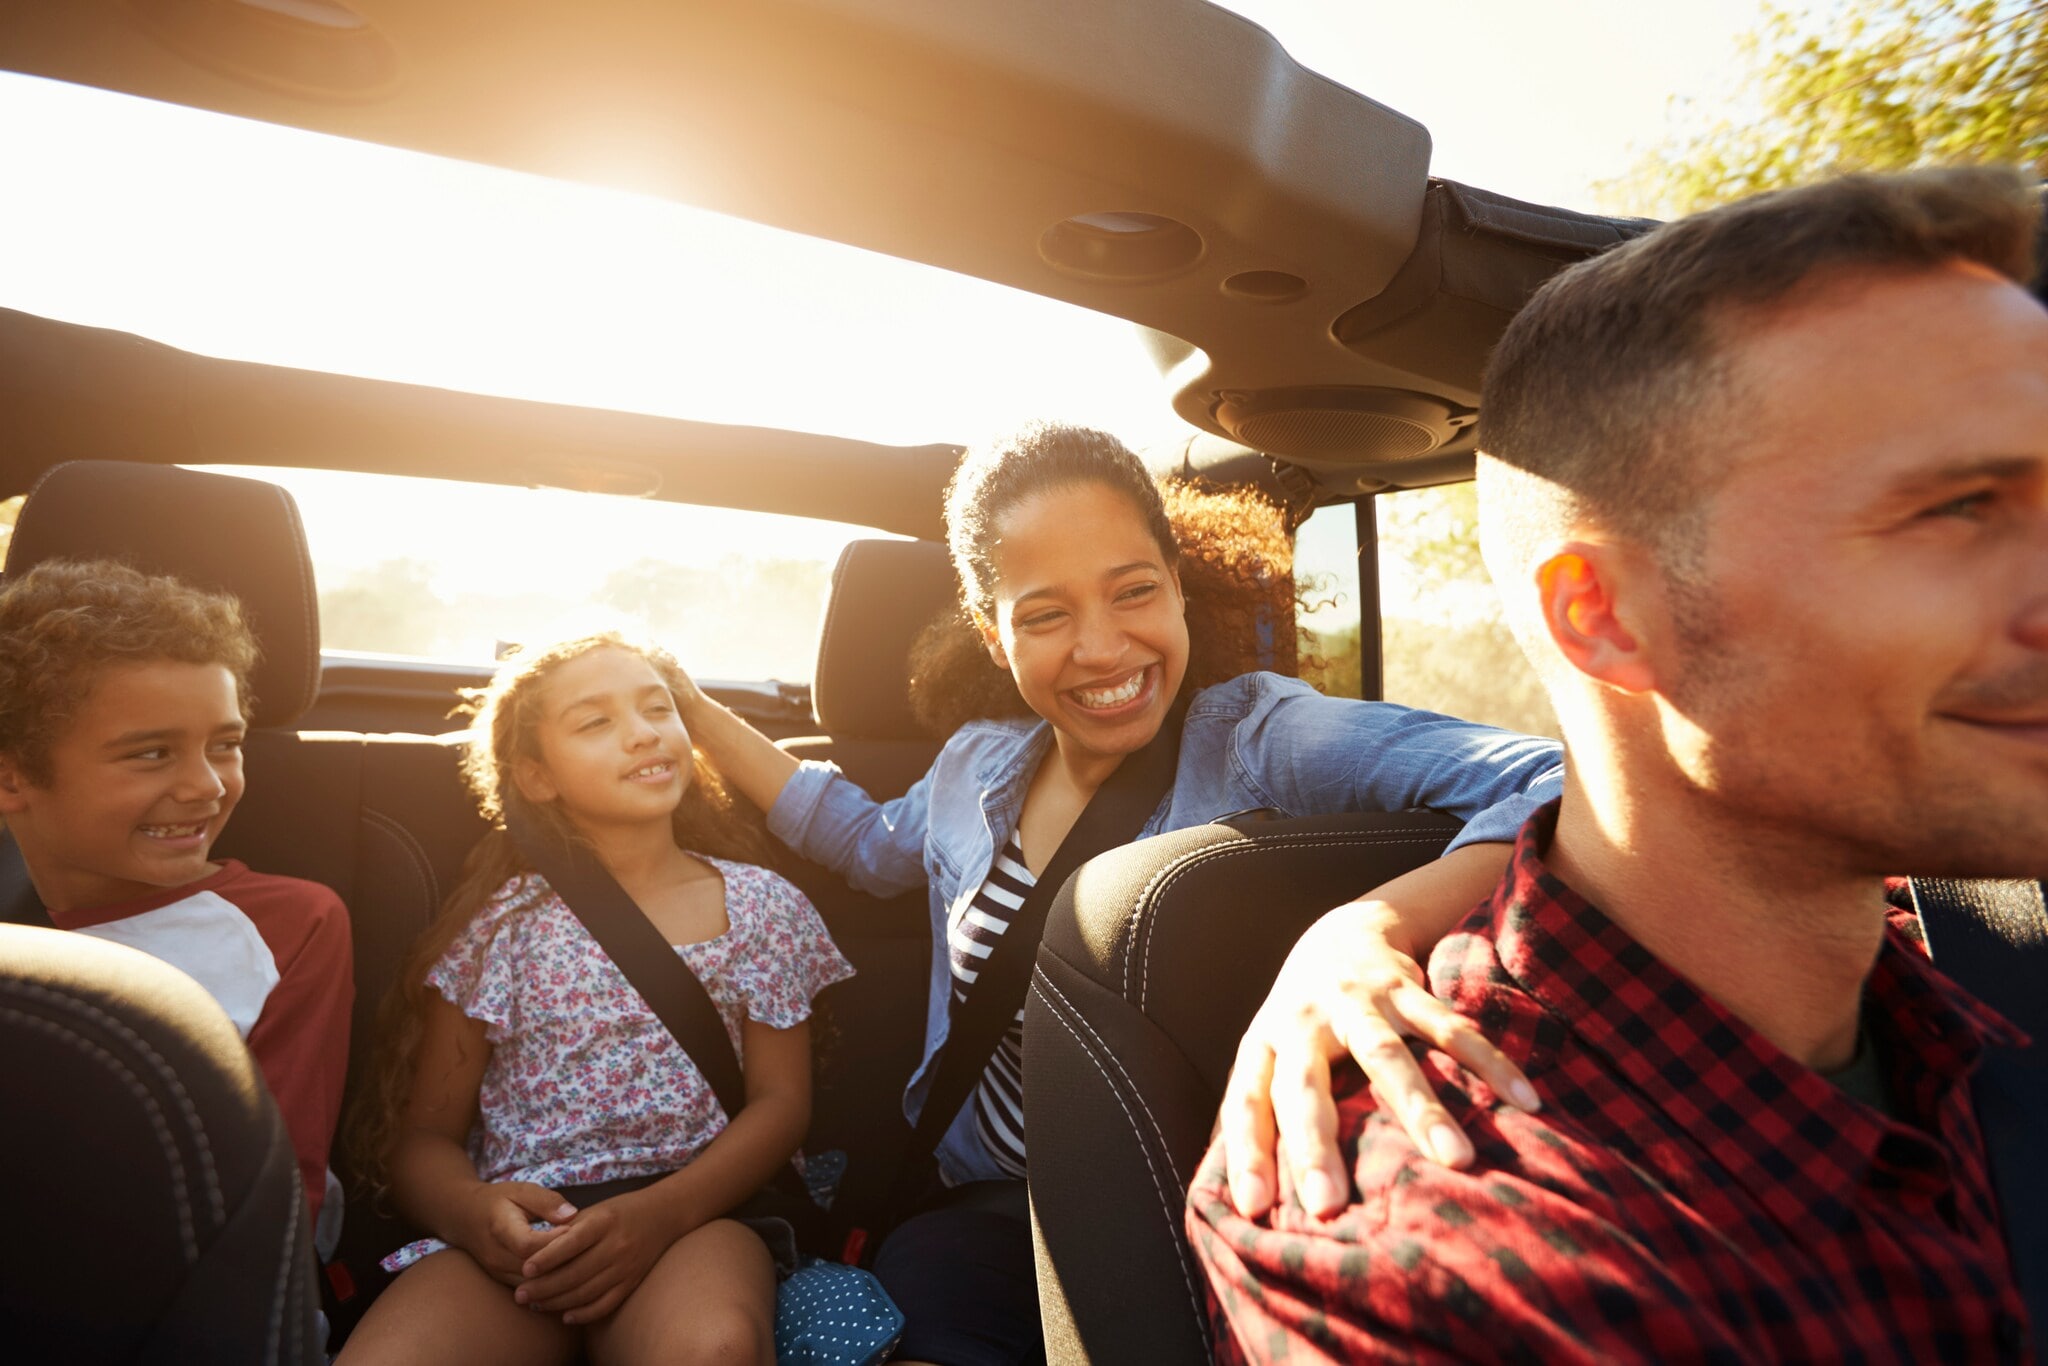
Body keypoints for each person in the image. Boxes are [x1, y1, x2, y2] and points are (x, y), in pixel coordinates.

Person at [1189, 166, 2047, 1362]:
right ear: (1602, 618)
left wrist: (1365, 918)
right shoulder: (1418, 1259)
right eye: (1955, 508)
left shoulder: (1952, 991)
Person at [672, 425, 1565, 1366]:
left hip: (1202, 1198)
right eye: (1046, 614)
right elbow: (860, 842)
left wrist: (1367, 929)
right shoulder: (977, 764)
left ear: (1179, 584)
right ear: (992, 630)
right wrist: (685, 707)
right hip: (984, 1205)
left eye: (1134, 590)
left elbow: (1553, 775)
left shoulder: (1262, 736)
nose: (1104, 649)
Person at [339, 633, 853, 1366]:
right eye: (596, 722)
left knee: (715, 1349)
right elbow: (425, 1138)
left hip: (697, 1212)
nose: (643, 731)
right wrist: (475, 1214)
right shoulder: (501, 928)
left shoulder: (762, 907)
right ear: (537, 776)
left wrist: (661, 1213)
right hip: (527, 1230)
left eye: (658, 708)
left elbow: (781, 1106)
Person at [0, 557, 354, 1230]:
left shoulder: (289, 926)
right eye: (152, 753)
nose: (207, 786)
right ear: (13, 779)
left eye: (225, 745)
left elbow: (277, 1192)